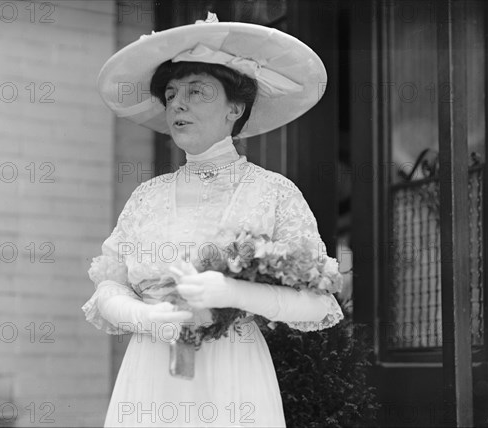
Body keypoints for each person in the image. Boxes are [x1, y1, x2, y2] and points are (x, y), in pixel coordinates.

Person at [82, 13, 344, 428]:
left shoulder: (273, 193)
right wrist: (146, 318)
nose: (178, 104)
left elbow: (316, 304)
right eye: (170, 94)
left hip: (233, 372)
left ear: (235, 108)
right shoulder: (145, 197)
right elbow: (108, 288)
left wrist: (232, 291)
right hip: (150, 372)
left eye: (197, 91)